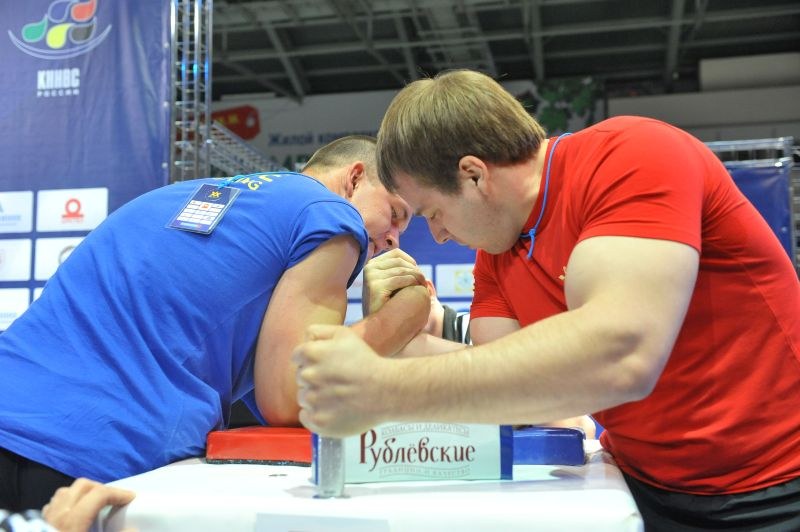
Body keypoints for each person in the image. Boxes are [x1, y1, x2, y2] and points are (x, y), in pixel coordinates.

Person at [292, 70, 800, 529]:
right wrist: (379, 342)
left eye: (431, 212)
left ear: (473, 175)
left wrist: (382, 387)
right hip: (646, 487)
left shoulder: (633, 156)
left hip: (776, 487)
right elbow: (505, 382)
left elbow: (619, 355)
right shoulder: (497, 251)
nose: (438, 236)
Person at [0, 135, 431, 512]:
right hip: (85, 459)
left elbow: (263, 398)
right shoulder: (332, 216)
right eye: (395, 214)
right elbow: (289, 398)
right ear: (354, 179)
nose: (394, 238)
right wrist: (402, 315)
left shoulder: (181, 196)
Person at [362, 247, 597, 438]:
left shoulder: (488, 334)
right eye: (383, 313)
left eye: (400, 302)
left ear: (429, 291)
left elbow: (577, 424)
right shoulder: (384, 358)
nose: (396, 319)